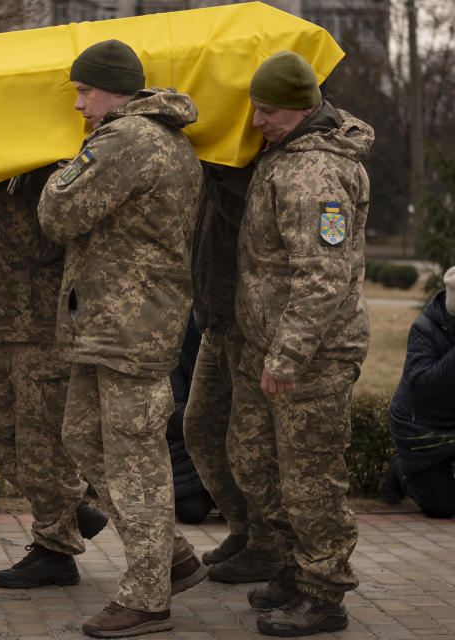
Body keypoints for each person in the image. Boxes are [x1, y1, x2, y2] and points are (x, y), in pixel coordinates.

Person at [37, 39, 206, 638]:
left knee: (135, 458)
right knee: (83, 438)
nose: (78, 103)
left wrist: (56, 174)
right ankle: (174, 556)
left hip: (130, 329)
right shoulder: (149, 138)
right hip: (109, 325)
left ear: (114, 89)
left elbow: (57, 213)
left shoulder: (129, 139)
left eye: (84, 91)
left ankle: (147, 597)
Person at [228, 50, 372, 637]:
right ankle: (295, 566)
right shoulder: (284, 156)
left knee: (311, 476)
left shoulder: (316, 173)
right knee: (253, 458)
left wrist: (286, 355)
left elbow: (323, 276)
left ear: (303, 107)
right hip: (269, 346)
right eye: (255, 108)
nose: (257, 121)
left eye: (267, 111)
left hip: (314, 355)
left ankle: (323, 593)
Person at [0, 163, 108, 590]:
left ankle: (56, 552)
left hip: (43, 335)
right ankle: (70, 505)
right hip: (1, 331)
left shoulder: (57, 174)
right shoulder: (8, 177)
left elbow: (43, 243)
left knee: (40, 445)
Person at [182, 162, 284, 584]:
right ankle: (243, 530)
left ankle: (268, 545)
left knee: (250, 446)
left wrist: (221, 174)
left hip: (248, 327)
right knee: (201, 428)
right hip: (215, 320)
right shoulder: (211, 166)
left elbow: (245, 223)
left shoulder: (252, 169)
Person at [381, 266, 455, 519]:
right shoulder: (424, 329)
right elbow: (423, 385)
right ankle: (401, 469)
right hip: (420, 427)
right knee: (443, 507)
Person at [167, 314, 215, 526]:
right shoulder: (176, 340)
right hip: (186, 446)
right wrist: (215, 420)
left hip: (225, 443)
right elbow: (172, 411)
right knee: (191, 511)